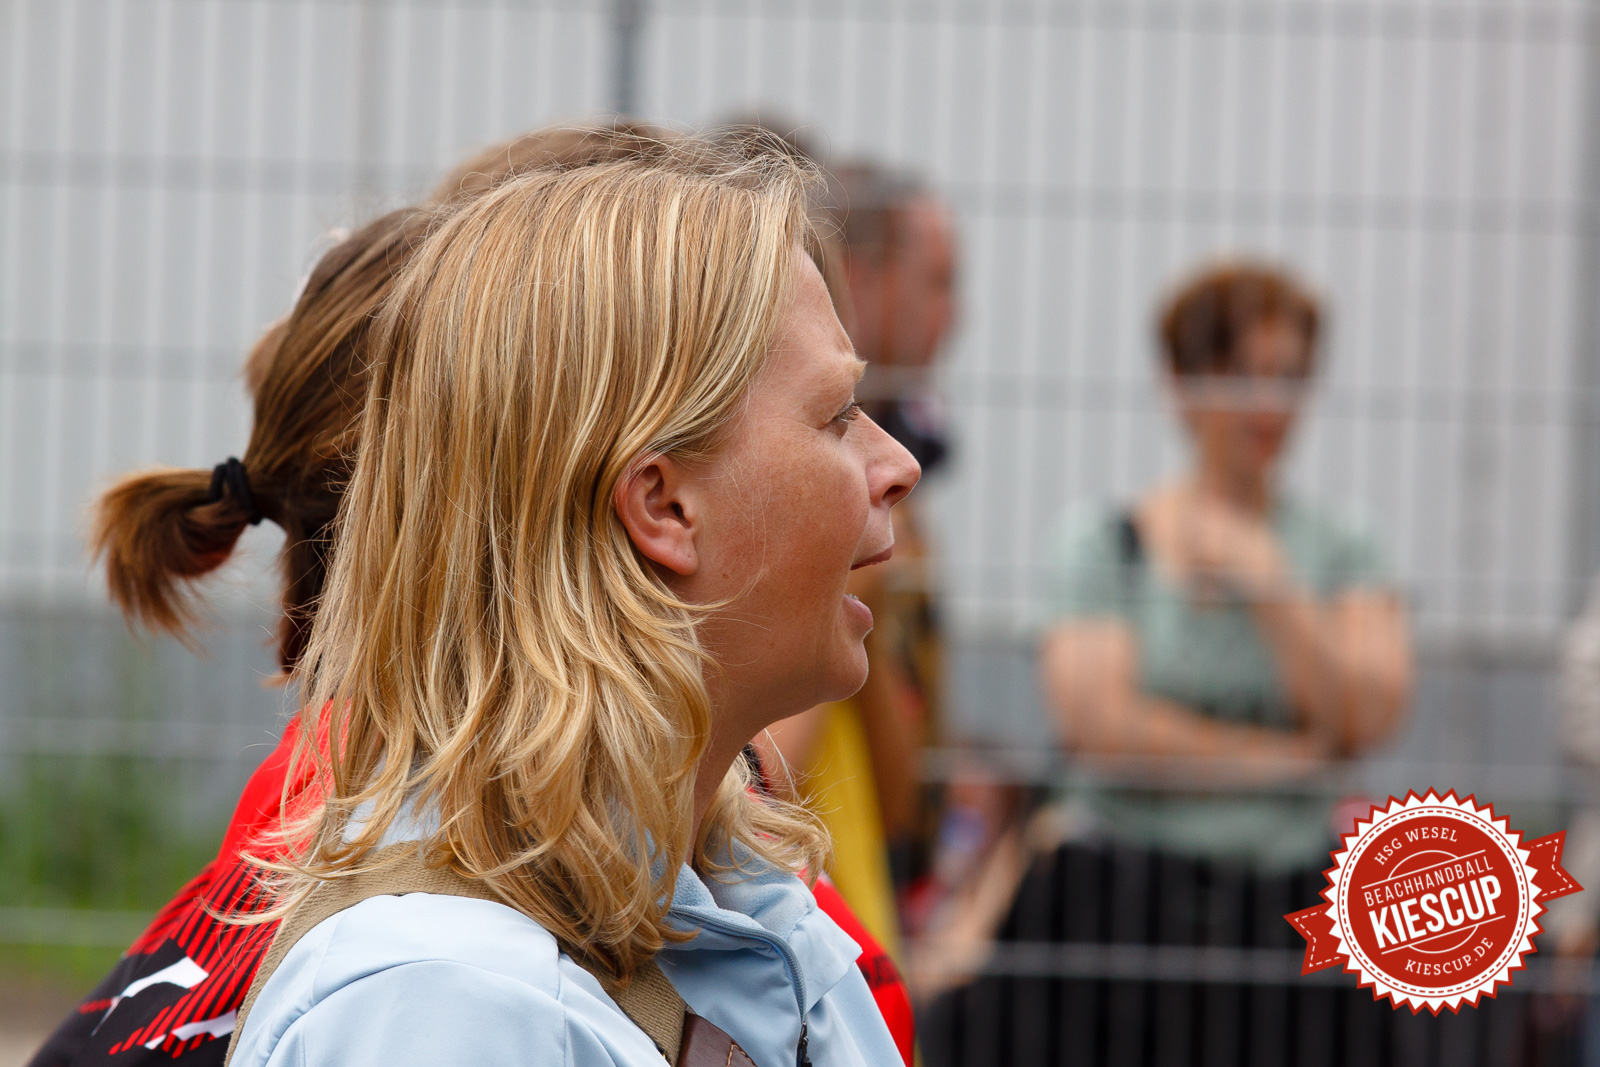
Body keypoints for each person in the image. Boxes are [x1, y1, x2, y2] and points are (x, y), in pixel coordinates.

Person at [29, 125, 916, 1067]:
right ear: (661, 503)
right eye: (837, 415)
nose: (895, 466)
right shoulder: (441, 1009)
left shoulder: (741, 908)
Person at [922, 262, 1413, 1066]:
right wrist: (1287, 760)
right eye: (1244, 375)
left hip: (1288, 912)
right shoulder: (1108, 541)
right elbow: (1102, 727)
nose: (1270, 404)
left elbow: (1372, 711)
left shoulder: (1340, 549)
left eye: (1289, 377)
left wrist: (1269, 583)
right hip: (1116, 906)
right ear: (1182, 383)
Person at [754, 160, 959, 958]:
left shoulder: (880, 476)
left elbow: (909, 792)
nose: (954, 315)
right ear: (861, 276)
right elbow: (758, 778)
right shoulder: (825, 508)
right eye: (936, 282)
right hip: (807, 917)